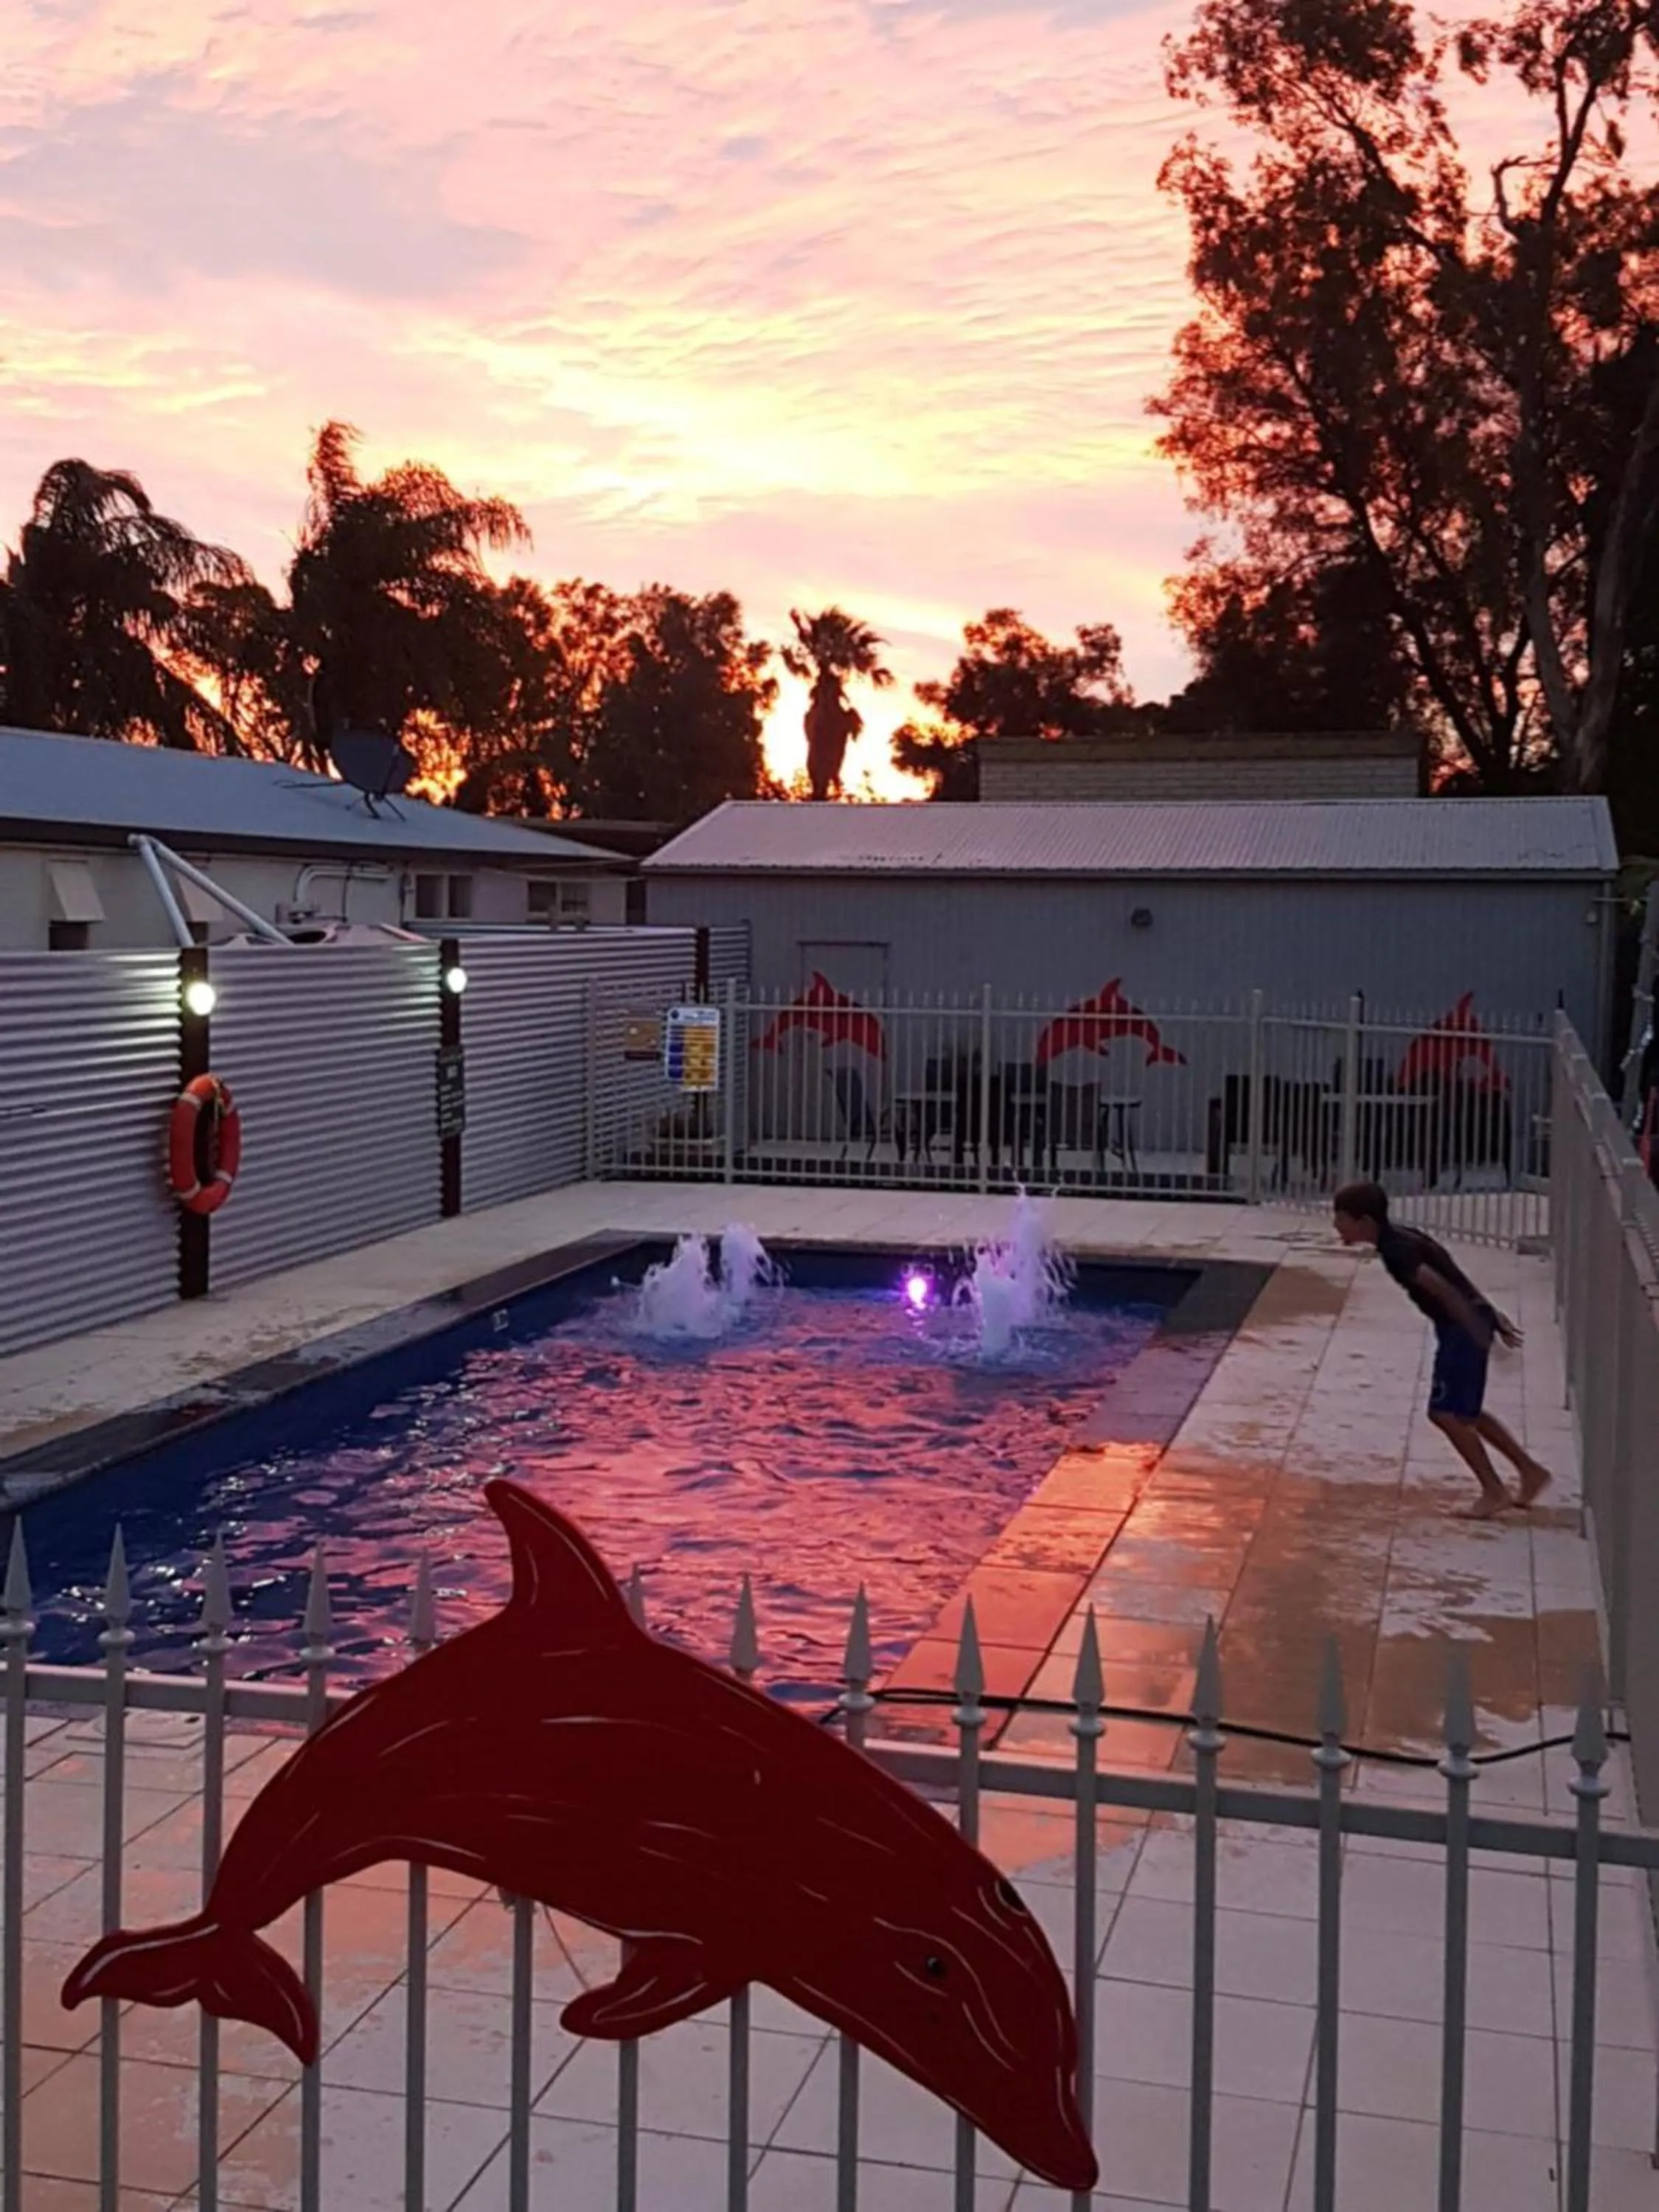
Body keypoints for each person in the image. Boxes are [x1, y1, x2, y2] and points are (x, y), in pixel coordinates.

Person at [1332, 1181, 1551, 1520]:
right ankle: (1529, 1471)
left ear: (1365, 1223)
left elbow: (1442, 1287)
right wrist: (1490, 1312)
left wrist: (1477, 1328)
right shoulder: (1403, 1237)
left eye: (1342, 1219)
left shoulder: (1397, 1251)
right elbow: (1454, 1273)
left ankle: (1494, 1491)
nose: (1336, 1226)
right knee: (1467, 1411)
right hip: (1464, 1322)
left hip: (1460, 1329)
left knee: (1444, 1413)